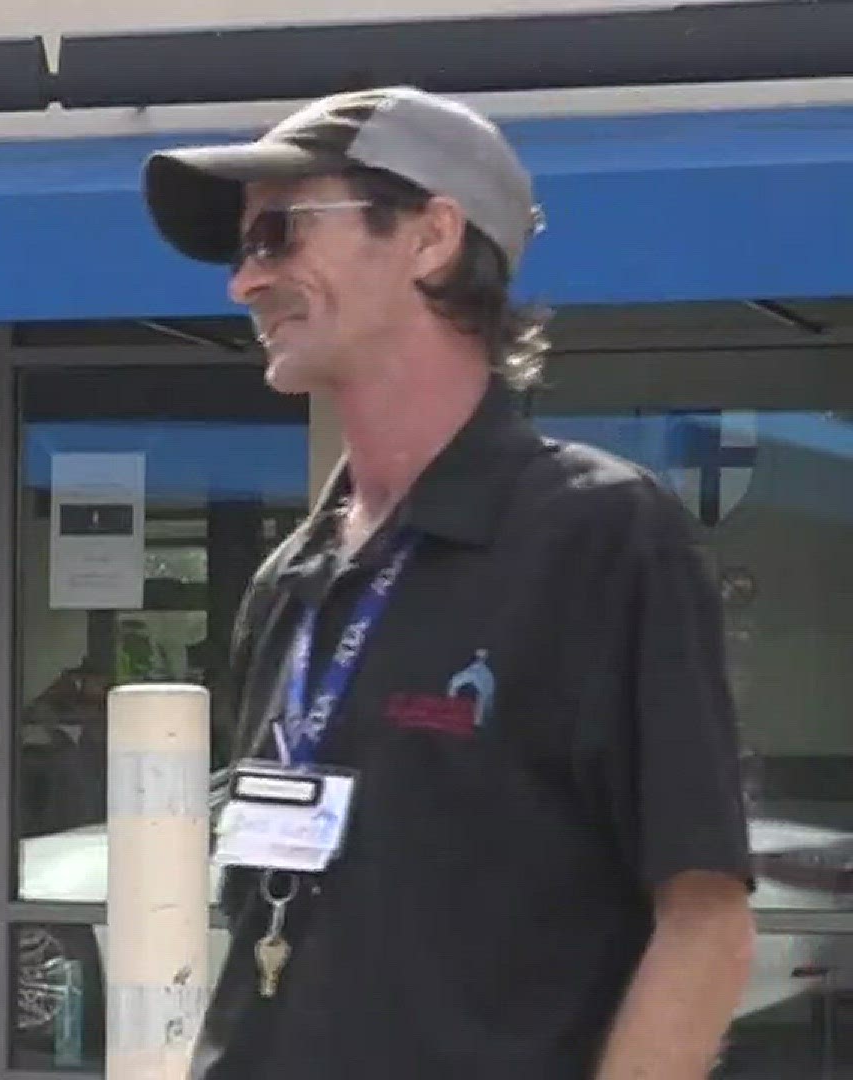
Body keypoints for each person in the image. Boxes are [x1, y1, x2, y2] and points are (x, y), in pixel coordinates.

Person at [140, 86, 757, 1078]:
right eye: (243, 248)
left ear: (430, 236)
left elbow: (706, 928)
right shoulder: (290, 580)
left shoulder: (598, 534)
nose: (245, 282)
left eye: (282, 232)